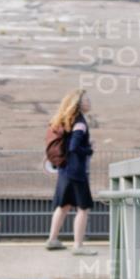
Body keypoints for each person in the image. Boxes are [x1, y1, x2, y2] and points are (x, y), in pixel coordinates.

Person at [45, 89, 97, 255]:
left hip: (64, 170)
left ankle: (52, 240)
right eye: (87, 99)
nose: (90, 102)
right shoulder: (80, 122)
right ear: (79, 103)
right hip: (76, 172)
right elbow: (74, 147)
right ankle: (78, 246)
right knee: (83, 208)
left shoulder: (67, 120)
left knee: (64, 205)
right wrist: (88, 149)